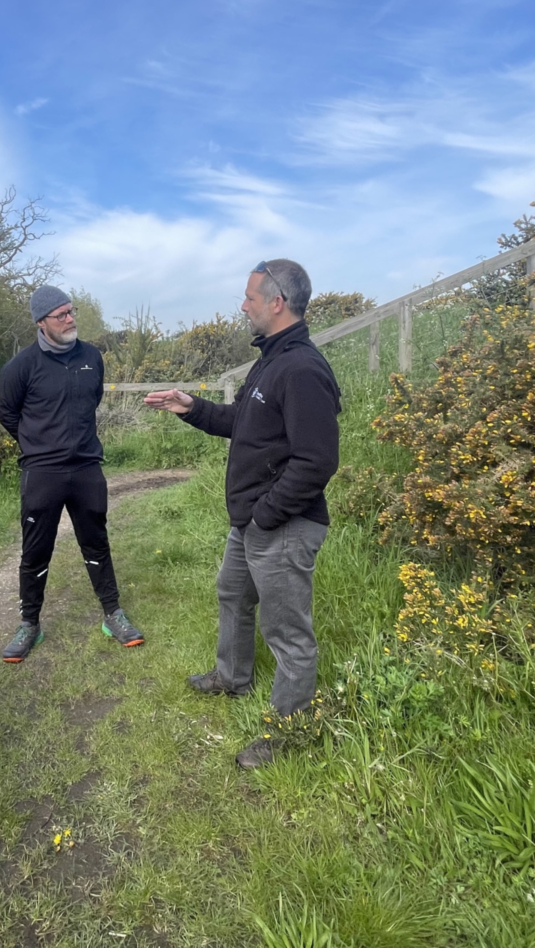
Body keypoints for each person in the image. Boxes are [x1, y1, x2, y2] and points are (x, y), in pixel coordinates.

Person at [145, 259, 340, 769]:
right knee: (233, 592)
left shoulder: (301, 368)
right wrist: (192, 406)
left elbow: (317, 460)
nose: (243, 304)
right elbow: (245, 424)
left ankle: (285, 737)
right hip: (254, 523)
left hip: (282, 524)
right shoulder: (271, 360)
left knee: (288, 634)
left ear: (277, 302)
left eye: (250, 296)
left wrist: (266, 515)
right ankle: (231, 677)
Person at [0, 285, 145, 662]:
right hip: (42, 473)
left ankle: (113, 614)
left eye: (71, 311)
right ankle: (30, 623)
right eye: (61, 314)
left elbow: (91, 401)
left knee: (96, 541)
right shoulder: (20, 368)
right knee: (35, 551)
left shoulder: (92, 357)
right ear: (41, 322)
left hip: (86, 469)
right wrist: (39, 444)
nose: (70, 318)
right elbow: (8, 416)